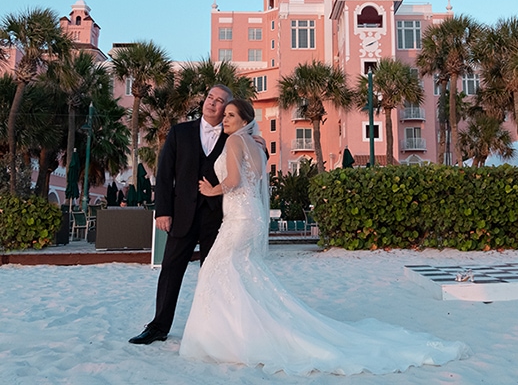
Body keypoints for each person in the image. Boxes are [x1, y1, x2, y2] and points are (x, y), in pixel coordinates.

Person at [179, 99, 468, 375]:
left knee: (217, 270)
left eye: (230, 115)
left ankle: (227, 338)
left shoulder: (234, 141)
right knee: (241, 272)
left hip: (239, 218)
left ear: (244, 120)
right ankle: (238, 331)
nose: (225, 119)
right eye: (225, 115)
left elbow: (233, 181)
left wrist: (210, 190)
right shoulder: (257, 146)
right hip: (252, 218)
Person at [129, 84, 233, 345]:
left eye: (219, 101)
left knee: (213, 272)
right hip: (181, 214)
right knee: (171, 271)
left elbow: (254, 160)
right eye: (210, 97)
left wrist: (260, 142)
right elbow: (164, 175)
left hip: (217, 217)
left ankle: (214, 327)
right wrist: (162, 211)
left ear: (226, 109)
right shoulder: (179, 132)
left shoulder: (234, 136)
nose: (212, 103)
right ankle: (158, 327)